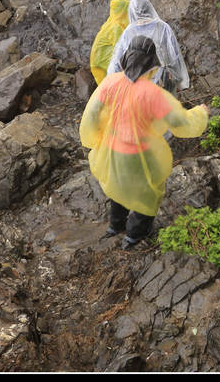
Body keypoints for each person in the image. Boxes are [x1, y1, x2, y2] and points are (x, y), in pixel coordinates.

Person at [80, 36, 208, 249]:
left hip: (112, 149)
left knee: (118, 185)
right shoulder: (153, 94)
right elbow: (180, 122)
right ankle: (135, 235)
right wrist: (200, 113)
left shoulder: (111, 82)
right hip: (141, 154)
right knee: (148, 192)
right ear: (151, 63)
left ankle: (115, 226)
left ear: (126, 58)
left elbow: (93, 113)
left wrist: (95, 138)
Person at [105, 0, 190, 93]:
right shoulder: (162, 27)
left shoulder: (128, 32)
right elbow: (173, 56)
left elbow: (117, 61)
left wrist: (111, 83)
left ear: (131, 12)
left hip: (136, 83)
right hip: (161, 82)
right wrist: (180, 82)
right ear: (149, 8)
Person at [89, 0, 130, 84]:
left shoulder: (110, 23)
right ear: (123, 12)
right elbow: (121, 49)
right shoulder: (116, 27)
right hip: (102, 63)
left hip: (98, 61)